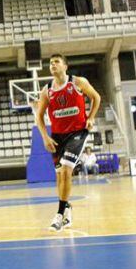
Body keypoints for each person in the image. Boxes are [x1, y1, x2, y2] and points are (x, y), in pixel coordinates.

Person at [34, 54, 100, 232]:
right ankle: (68, 209)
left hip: (78, 132)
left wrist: (91, 117)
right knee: (59, 176)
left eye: (56, 62)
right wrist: (45, 137)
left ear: (65, 66)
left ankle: (59, 214)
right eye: (50, 63)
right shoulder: (46, 90)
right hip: (57, 136)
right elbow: (38, 116)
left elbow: (96, 98)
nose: (52, 65)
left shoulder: (78, 82)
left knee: (65, 170)